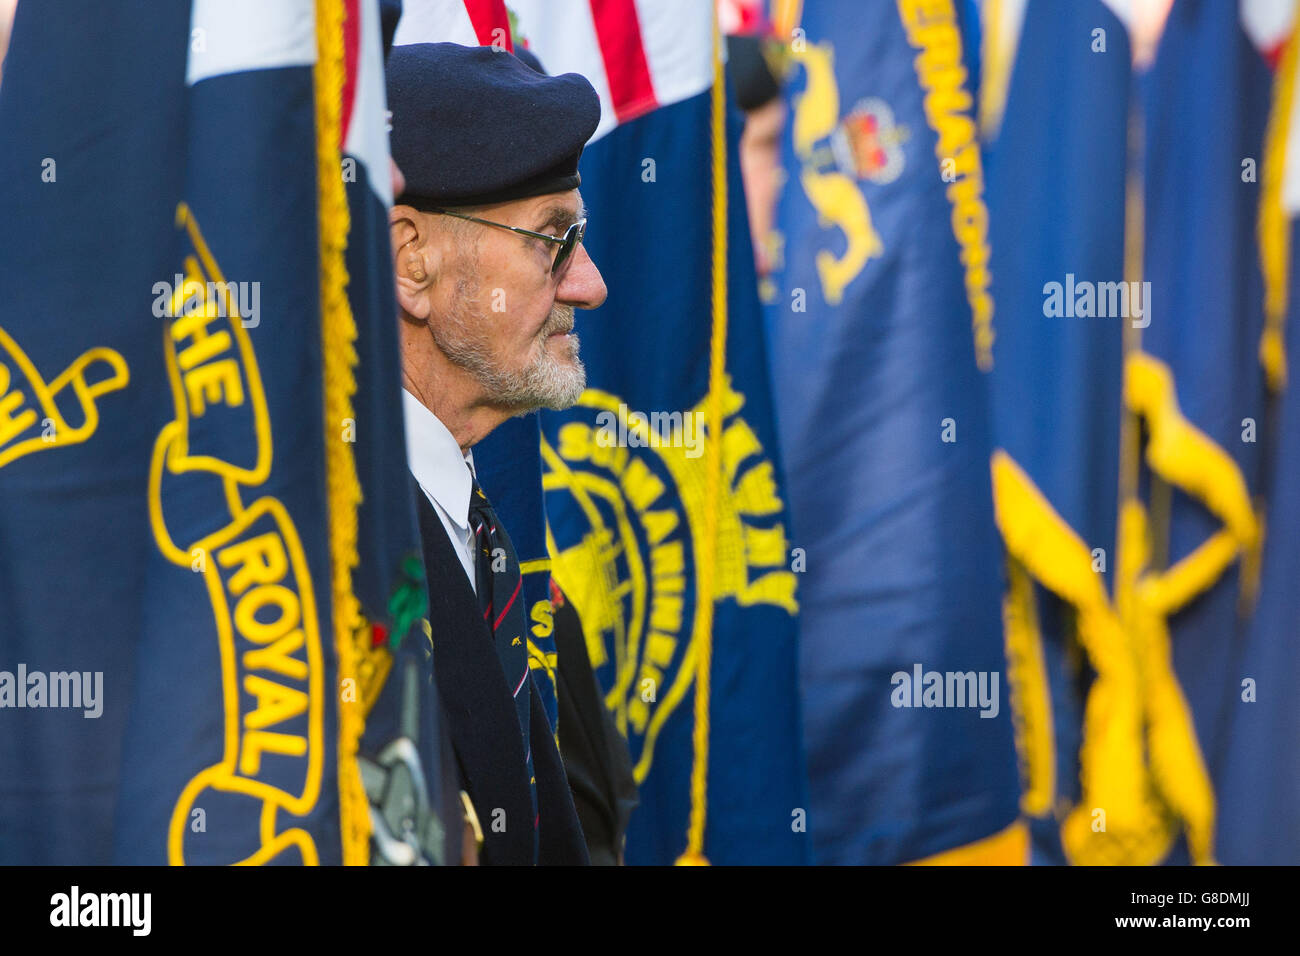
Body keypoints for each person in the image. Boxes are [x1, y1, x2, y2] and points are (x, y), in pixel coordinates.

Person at [386, 41, 606, 865]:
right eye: (553, 239)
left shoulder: (472, 526)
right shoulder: (334, 546)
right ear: (414, 263)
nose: (589, 283)